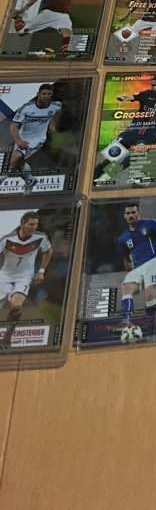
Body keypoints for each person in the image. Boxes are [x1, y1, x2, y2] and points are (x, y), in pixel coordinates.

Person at [94, 76, 156, 186]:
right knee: (110, 157)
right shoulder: (146, 94)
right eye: (152, 85)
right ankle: (95, 175)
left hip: (149, 136)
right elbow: (132, 97)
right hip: (132, 132)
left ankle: (107, 176)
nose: (154, 88)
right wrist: (124, 98)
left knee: (133, 157)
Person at [117, 202, 156, 335]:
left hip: (155, 261)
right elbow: (126, 258)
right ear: (124, 216)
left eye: (133, 212)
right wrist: (131, 273)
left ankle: (152, 327)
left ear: (138, 213)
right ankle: (126, 324)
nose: (131, 215)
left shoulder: (150, 224)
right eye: (128, 213)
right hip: (138, 267)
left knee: (149, 294)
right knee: (126, 288)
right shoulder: (123, 238)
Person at [12, 0, 108, 54]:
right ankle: (18, 18)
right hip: (48, 14)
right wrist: (22, 10)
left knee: (68, 33)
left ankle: (69, 54)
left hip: (63, 16)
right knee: (21, 33)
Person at [0, 211, 51, 348]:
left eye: (36, 224)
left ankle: (8, 334)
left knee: (16, 306)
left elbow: (48, 251)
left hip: (24, 277)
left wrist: (41, 271)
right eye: (31, 224)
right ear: (22, 224)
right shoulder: (7, 238)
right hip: (4, 275)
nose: (34, 227)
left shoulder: (40, 237)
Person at [0, 84, 62, 193]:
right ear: (38, 94)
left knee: (12, 161)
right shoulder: (27, 108)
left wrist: (53, 124)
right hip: (21, 138)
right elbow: (13, 126)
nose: (46, 96)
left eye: (49, 94)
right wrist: (19, 141)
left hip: (36, 140)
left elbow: (58, 112)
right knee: (20, 163)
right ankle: (30, 181)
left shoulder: (56, 105)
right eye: (43, 94)